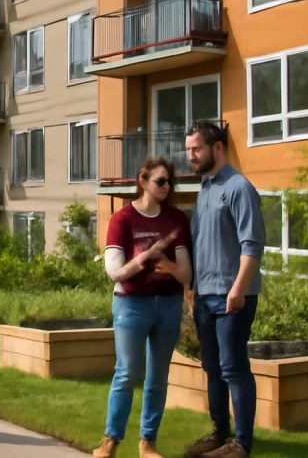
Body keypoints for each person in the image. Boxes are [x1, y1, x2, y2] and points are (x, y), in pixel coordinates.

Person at [93, 157, 192, 458]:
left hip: (168, 305)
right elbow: (115, 272)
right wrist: (146, 256)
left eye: (169, 182)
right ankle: (110, 441)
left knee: (158, 375)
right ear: (143, 181)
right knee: (127, 372)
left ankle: (148, 442)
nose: (166, 187)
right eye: (160, 181)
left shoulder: (176, 219)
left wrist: (171, 267)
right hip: (130, 305)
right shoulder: (122, 220)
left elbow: (187, 275)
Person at [184, 121, 265, 458]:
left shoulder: (238, 187)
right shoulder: (204, 190)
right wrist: (192, 292)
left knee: (233, 367)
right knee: (212, 367)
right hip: (205, 297)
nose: (191, 156)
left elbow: (252, 245)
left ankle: (242, 444)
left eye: (196, 149)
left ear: (217, 148)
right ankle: (219, 432)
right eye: (188, 150)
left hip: (233, 297)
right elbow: (201, 246)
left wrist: (237, 291)